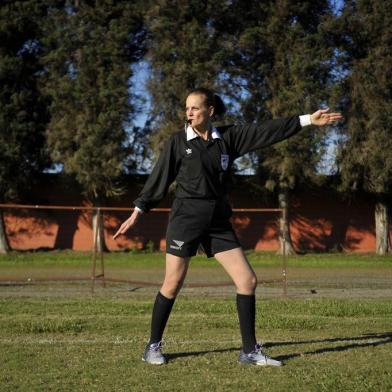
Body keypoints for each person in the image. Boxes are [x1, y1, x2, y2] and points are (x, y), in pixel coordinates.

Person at [113, 87, 342, 366]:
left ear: (210, 111)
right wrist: (139, 210)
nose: (189, 113)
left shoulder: (228, 138)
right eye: (187, 108)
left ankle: (248, 351)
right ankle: (152, 347)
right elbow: (158, 178)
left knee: (247, 280)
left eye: (195, 108)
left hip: (218, 222)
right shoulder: (177, 142)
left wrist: (306, 120)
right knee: (172, 284)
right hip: (185, 220)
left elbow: (264, 131)